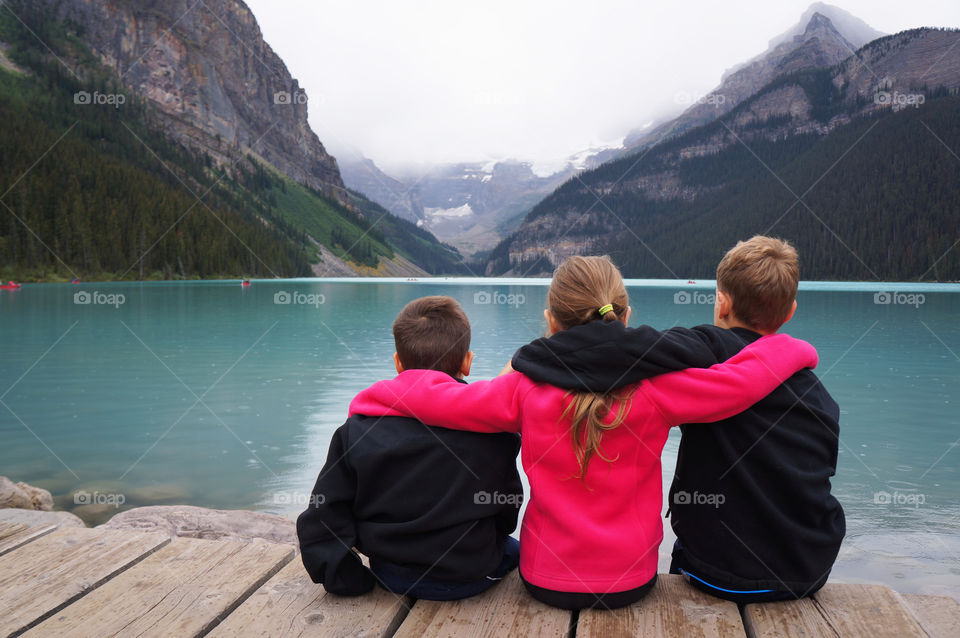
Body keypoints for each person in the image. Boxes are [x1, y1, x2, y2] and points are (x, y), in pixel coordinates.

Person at [349, 256, 819, 610]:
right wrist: (790, 348)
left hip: (544, 579)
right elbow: (739, 384)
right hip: (631, 581)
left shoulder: (521, 389)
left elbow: (443, 399)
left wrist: (373, 398)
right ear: (625, 315)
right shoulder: (659, 390)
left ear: (551, 321)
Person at [511, 237, 844, 603]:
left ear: (722, 301)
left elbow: (620, 349)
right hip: (808, 569)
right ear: (791, 310)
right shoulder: (818, 396)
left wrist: (523, 364)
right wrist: (792, 347)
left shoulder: (700, 353)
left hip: (713, 572)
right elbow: (735, 383)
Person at [297, 296, 523, 600]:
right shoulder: (494, 432)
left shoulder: (357, 430)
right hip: (471, 574)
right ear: (467, 362)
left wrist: (346, 577)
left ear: (398, 363)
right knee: (517, 550)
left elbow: (324, 512)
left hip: (391, 573)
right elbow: (507, 513)